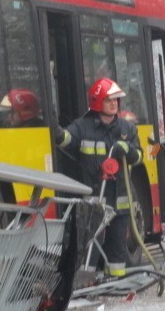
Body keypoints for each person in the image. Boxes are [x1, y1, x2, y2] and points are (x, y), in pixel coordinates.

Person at [54, 78, 142, 278]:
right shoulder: (83, 126)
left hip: (120, 201)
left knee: (118, 247)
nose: (114, 104)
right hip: (94, 201)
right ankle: (86, 282)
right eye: (108, 100)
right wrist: (55, 129)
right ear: (96, 101)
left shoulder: (127, 129)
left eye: (116, 100)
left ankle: (116, 281)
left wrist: (127, 149)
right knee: (89, 247)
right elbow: (66, 140)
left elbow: (139, 157)